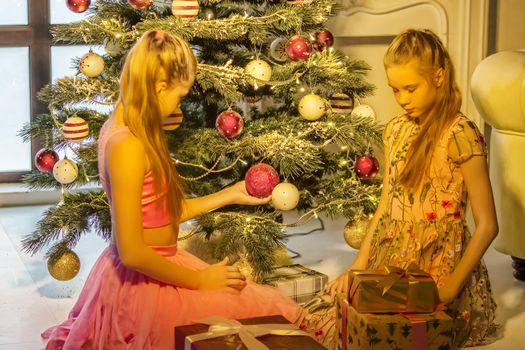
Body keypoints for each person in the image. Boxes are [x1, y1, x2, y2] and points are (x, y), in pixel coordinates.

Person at [42, 30, 304, 349]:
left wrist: (232, 193)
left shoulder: (137, 128)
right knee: (247, 317)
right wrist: (199, 280)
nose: (178, 104)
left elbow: (166, 213)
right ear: (159, 87)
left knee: (246, 308)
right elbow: (131, 251)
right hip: (143, 282)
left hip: (164, 261)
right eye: (179, 95)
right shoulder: (127, 145)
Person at [304, 29, 499, 348]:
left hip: (437, 265)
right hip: (391, 256)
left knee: (402, 333)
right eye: (396, 90)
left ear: (438, 76)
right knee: (331, 323)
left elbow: (488, 226)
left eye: (411, 88)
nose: (403, 99)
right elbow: (385, 207)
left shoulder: (461, 135)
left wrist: (448, 290)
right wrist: (355, 270)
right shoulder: (396, 130)